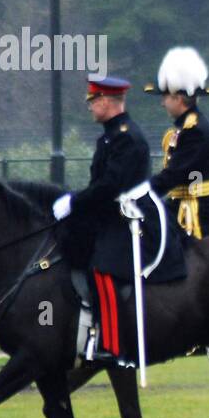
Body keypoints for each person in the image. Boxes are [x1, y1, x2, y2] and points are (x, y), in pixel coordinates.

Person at [51, 76, 152, 367]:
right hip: (107, 215)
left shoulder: (127, 137)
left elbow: (110, 187)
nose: (91, 107)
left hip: (126, 218)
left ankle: (111, 341)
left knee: (102, 267)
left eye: (93, 101)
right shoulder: (110, 135)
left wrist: (75, 201)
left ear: (106, 102)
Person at [145, 46, 209, 238]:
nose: (162, 103)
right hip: (182, 203)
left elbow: (171, 176)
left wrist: (138, 193)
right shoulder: (185, 128)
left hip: (202, 212)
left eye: (165, 97)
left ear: (178, 99)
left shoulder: (195, 131)